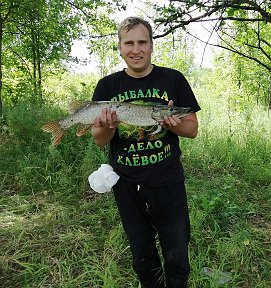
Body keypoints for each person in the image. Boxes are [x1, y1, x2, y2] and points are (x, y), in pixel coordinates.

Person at [91, 16, 201, 288]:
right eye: (129, 43)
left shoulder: (173, 79)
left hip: (168, 181)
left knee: (177, 253)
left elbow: (192, 129)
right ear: (120, 47)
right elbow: (99, 140)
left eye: (142, 42)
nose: (136, 49)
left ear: (152, 45)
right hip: (127, 184)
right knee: (142, 254)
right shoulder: (108, 86)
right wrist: (109, 126)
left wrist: (171, 124)